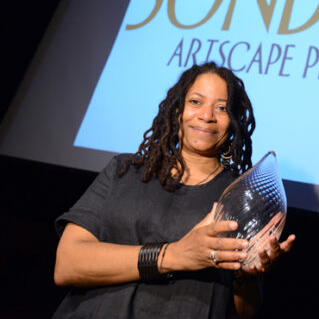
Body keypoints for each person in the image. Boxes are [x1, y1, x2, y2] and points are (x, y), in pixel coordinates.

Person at [53, 62, 295, 319]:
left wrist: (245, 277)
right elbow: (67, 265)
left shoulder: (242, 196)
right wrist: (175, 255)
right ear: (177, 110)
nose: (207, 115)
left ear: (233, 121)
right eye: (195, 102)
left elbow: (245, 312)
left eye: (222, 108)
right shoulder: (123, 170)